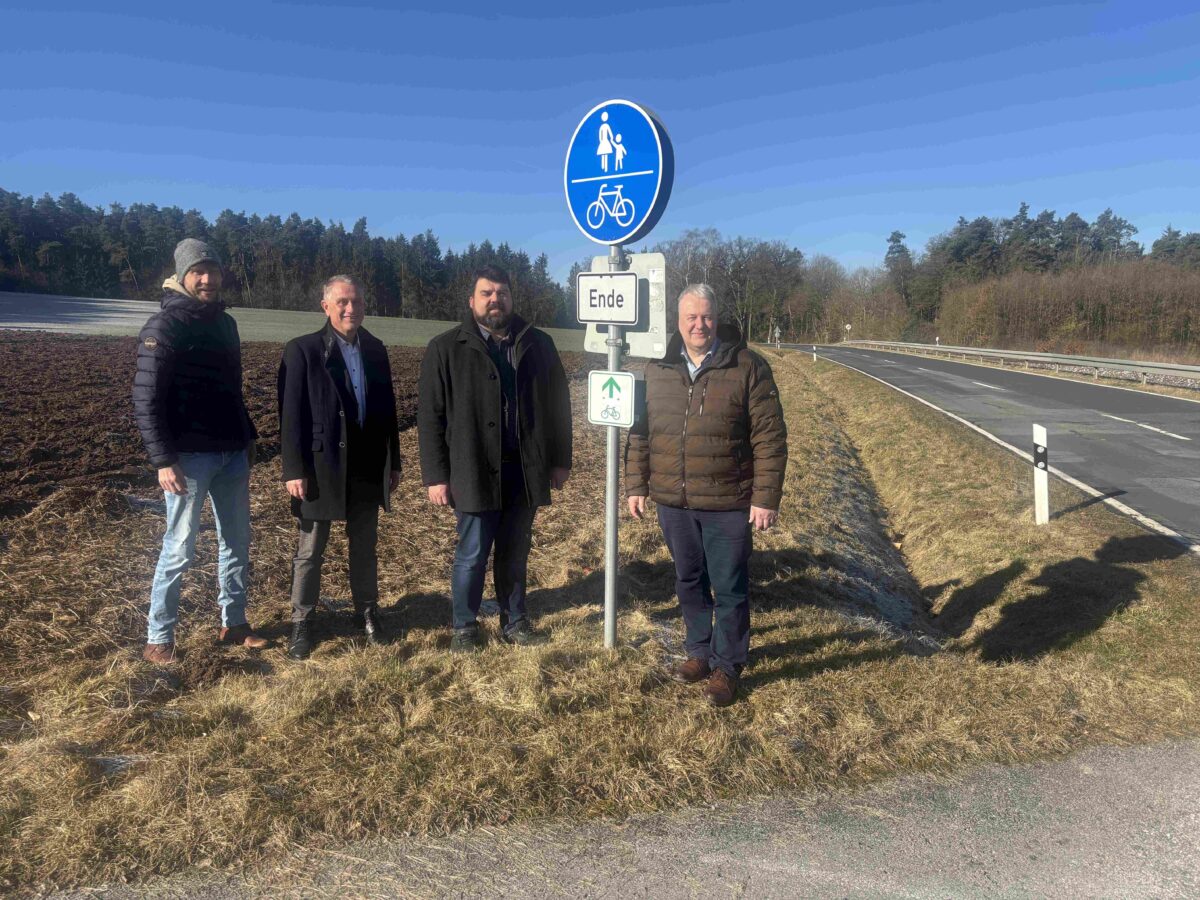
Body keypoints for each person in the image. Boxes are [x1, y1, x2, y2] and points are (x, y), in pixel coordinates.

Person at [625, 284, 787, 706]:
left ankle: (727, 666)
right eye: (691, 318)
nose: (700, 325)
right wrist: (636, 485)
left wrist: (765, 497)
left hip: (728, 501)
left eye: (707, 316)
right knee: (688, 580)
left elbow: (770, 437)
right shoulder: (657, 367)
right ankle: (698, 651)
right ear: (678, 322)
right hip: (673, 501)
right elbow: (640, 432)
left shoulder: (748, 366)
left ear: (717, 318)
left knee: (729, 585)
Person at [417, 264, 572, 651]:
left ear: (511, 298)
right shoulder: (445, 348)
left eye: (501, 293)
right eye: (486, 293)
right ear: (472, 300)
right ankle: (464, 627)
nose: (494, 300)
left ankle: (515, 621)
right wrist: (436, 476)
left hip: (524, 469)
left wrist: (560, 460)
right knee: (471, 554)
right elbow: (431, 417)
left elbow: (559, 406)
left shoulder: (538, 344)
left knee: (515, 552)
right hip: (472, 470)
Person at [133, 238, 265, 664]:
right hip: (187, 460)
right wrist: (163, 459)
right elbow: (145, 398)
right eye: (198, 272)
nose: (207, 279)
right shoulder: (164, 326)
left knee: (237, 542)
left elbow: (232, 390)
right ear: (182, 276)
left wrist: (247, 437)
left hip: (231, 453)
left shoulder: (226, 324)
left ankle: (234, 623)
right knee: (179, 548)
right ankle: (159, 638)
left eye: (213, 270)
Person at [277, 275, 402, 660]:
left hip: (366, 465)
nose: (351, 309)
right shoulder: (302, 350)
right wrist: (293, 469)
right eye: (343, 302)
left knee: (365, 546)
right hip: (321, 466)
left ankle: (367, 612)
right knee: (310, 550)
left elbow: (388, 411)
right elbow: (290, 415)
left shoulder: (376, 349)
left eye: (357, 302)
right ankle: (302, 621)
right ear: (326, 306)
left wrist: (394, 462)